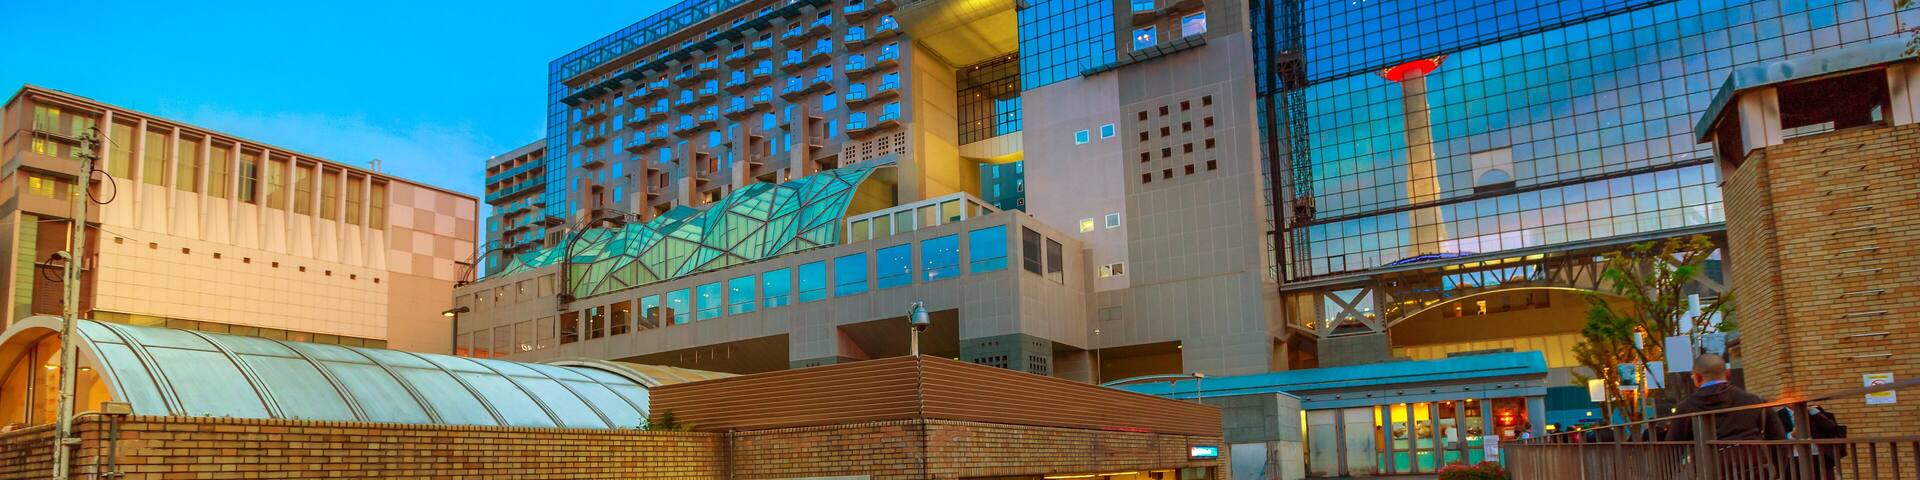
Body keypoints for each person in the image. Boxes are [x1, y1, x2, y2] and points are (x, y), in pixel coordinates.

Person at [1665, 354, 1786, 477]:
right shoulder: (1755, 401)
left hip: (1712, 473)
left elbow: (1670, 451)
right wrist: (1778, 472)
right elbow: (1779, 440)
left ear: (1697, 377)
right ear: (1728, 374)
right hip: (1757, 471)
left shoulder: (1686, 409)